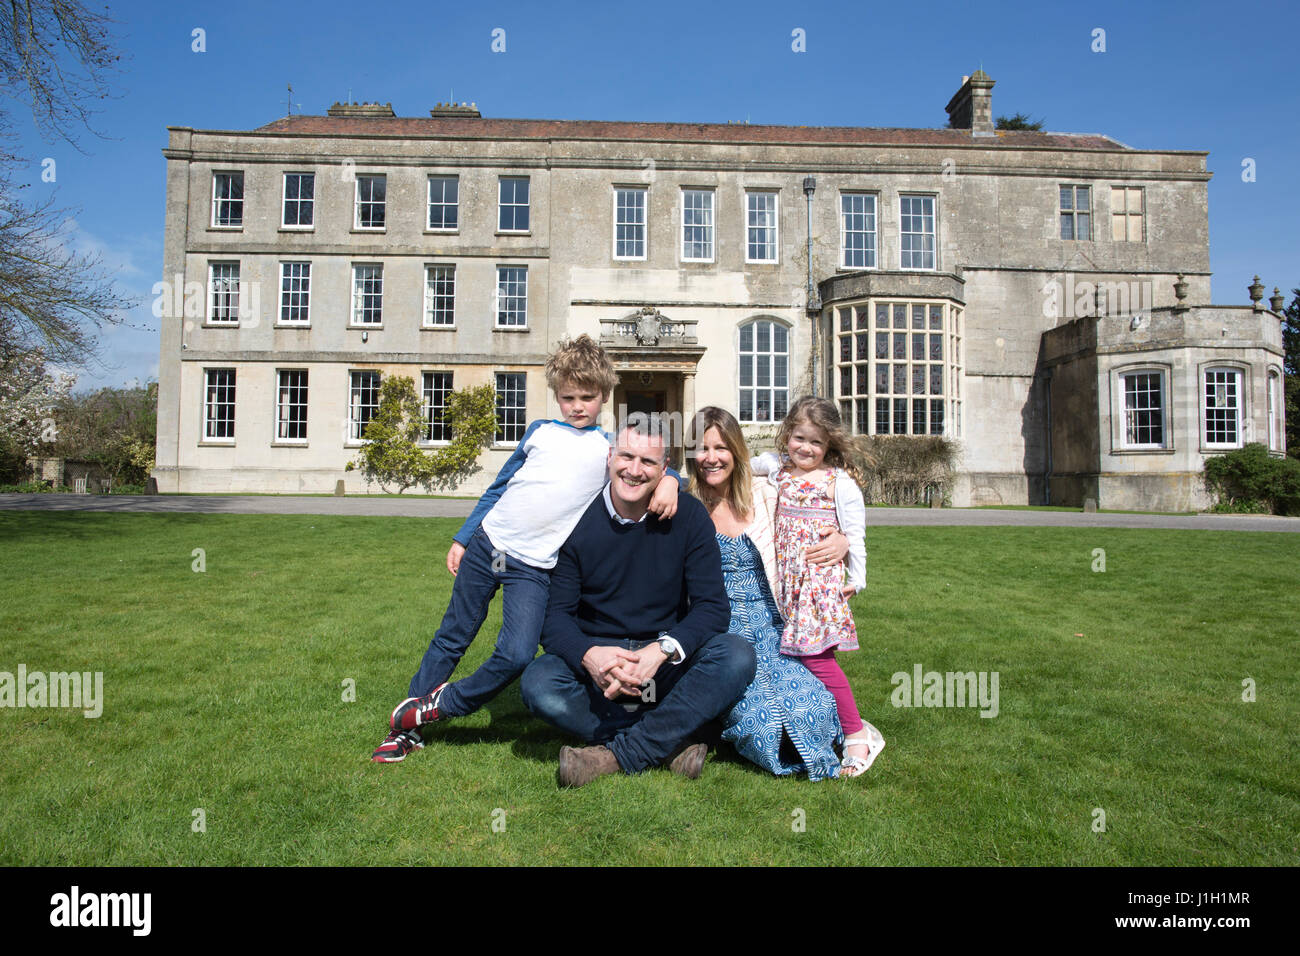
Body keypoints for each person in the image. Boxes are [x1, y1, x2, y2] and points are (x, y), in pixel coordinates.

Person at [371, 335, 680, 762]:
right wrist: (463, 537)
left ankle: (446, 703)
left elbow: (657, 467)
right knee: (453, 635)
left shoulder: (607, 449)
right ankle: (407, 726)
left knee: (516, 654)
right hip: (489, 546)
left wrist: (668, 482)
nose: (577, 406)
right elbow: (498, 487)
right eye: (568, 397)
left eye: (587, 397)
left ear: (604, 396)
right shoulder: (539, 433)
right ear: (556, 396)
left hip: (534, 569)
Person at [519, 416, 756, 787]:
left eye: (648, 462)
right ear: (611, 456)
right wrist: (591, 657)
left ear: (665, 469)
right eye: (627, 456)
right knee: (539, 683)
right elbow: (555, 619)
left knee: (736, 655)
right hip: (600, 667)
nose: (634, 470)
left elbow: (713, 607)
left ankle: (617, 754)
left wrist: (659, 652)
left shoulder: (690, 517)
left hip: (662, 664)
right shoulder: (576, 519)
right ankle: (668, 740)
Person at [687, 406, 849, 781]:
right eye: (703, 448)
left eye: (721, 448)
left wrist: (844, 540)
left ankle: (820, 739)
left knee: (814, 705)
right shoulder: (686, 504)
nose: (711, 458)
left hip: (774, 625)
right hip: (721, 632)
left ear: (737, 452)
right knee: (758, 717)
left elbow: (820, 503)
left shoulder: (766, 494)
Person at [753, 396, 885, 777]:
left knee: (817, 660)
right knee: (802, 660)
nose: (805, 449)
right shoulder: (779, 469)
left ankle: (857, 734)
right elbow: (750, 462)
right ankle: (824, 724)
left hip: (816, 586)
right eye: (799, 438)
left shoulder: (838, 482)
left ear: (829, 445)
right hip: (787, 586)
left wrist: (856, 580)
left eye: (815, 442)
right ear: (787, 435)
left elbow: (856, 536)